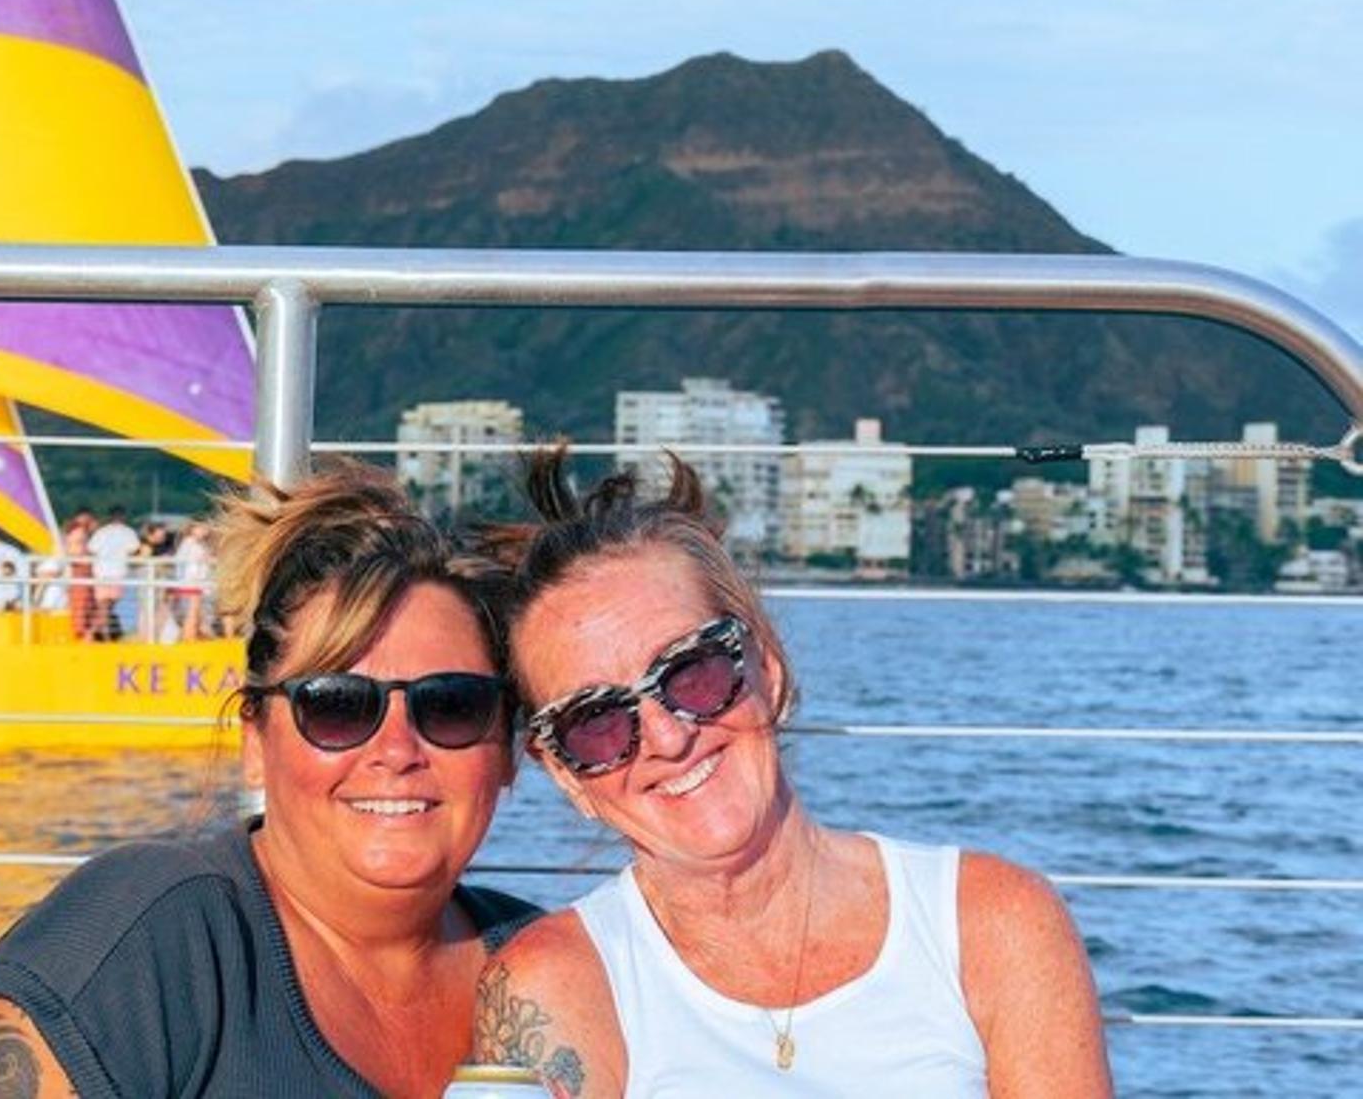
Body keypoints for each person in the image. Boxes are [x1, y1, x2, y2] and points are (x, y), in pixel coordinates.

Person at [470, 449, 1112, 1098]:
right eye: (597, 720)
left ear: (766, 666)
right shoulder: (554, 987)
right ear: (566, 774)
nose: (669, 735)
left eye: (693, 671)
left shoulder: (993, 923)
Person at [0, 461, 536, 1098]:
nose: (396, 747)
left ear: (507, 748)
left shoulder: (555, 966)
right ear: (255, 743)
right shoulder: (147, 943)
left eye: (451, 705)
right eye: (335, 705)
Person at [85, 506, 141, 640]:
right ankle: (97, 634)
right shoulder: (128, 532)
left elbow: (91, 549)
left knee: (104, 605)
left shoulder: (101, 532)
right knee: (107, 606)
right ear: (123, 517)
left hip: (100, 572)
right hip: (117, 573)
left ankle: (98, 633)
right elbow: (135, 549)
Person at [168, 519, 217, 641]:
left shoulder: (193, 544)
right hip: (191, 584)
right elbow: (191, 563)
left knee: (195, 615)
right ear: (192, 529)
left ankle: (191, 638)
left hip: (192, 584)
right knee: (192, 615)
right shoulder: (190, 543)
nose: (205, 531)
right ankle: (188, 639)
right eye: (202, 528)